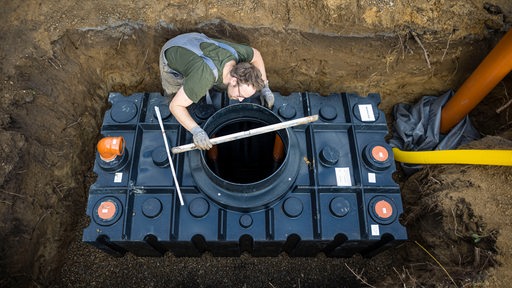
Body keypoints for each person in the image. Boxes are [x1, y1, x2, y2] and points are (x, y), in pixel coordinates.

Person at [159, 32, 274, 150]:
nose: (240, 100)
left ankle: (192, 87)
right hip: (174, 51)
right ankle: (182, 95)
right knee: (176, 96)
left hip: (196, 43)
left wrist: (265, 88)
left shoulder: (238, 54)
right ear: (234, 80)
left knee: (199, 80)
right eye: (240, 95)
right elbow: (175, 106)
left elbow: (256, 55)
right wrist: (197, 131)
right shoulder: (204, 77)